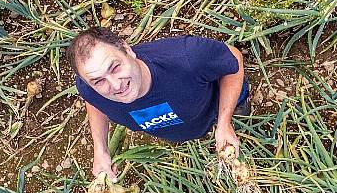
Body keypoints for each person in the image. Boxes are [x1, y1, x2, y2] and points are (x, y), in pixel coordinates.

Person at [67, 27, 250, 181]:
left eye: (115, 67)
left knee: (238, 104)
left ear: (127, 50)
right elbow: (94, 102)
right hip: (182, 127)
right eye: (99, 81)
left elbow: (233, 59)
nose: (116, 85)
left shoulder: (188, 57)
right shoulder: (89, 87)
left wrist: (225, 122)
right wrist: (101, 149)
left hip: (214, 103)